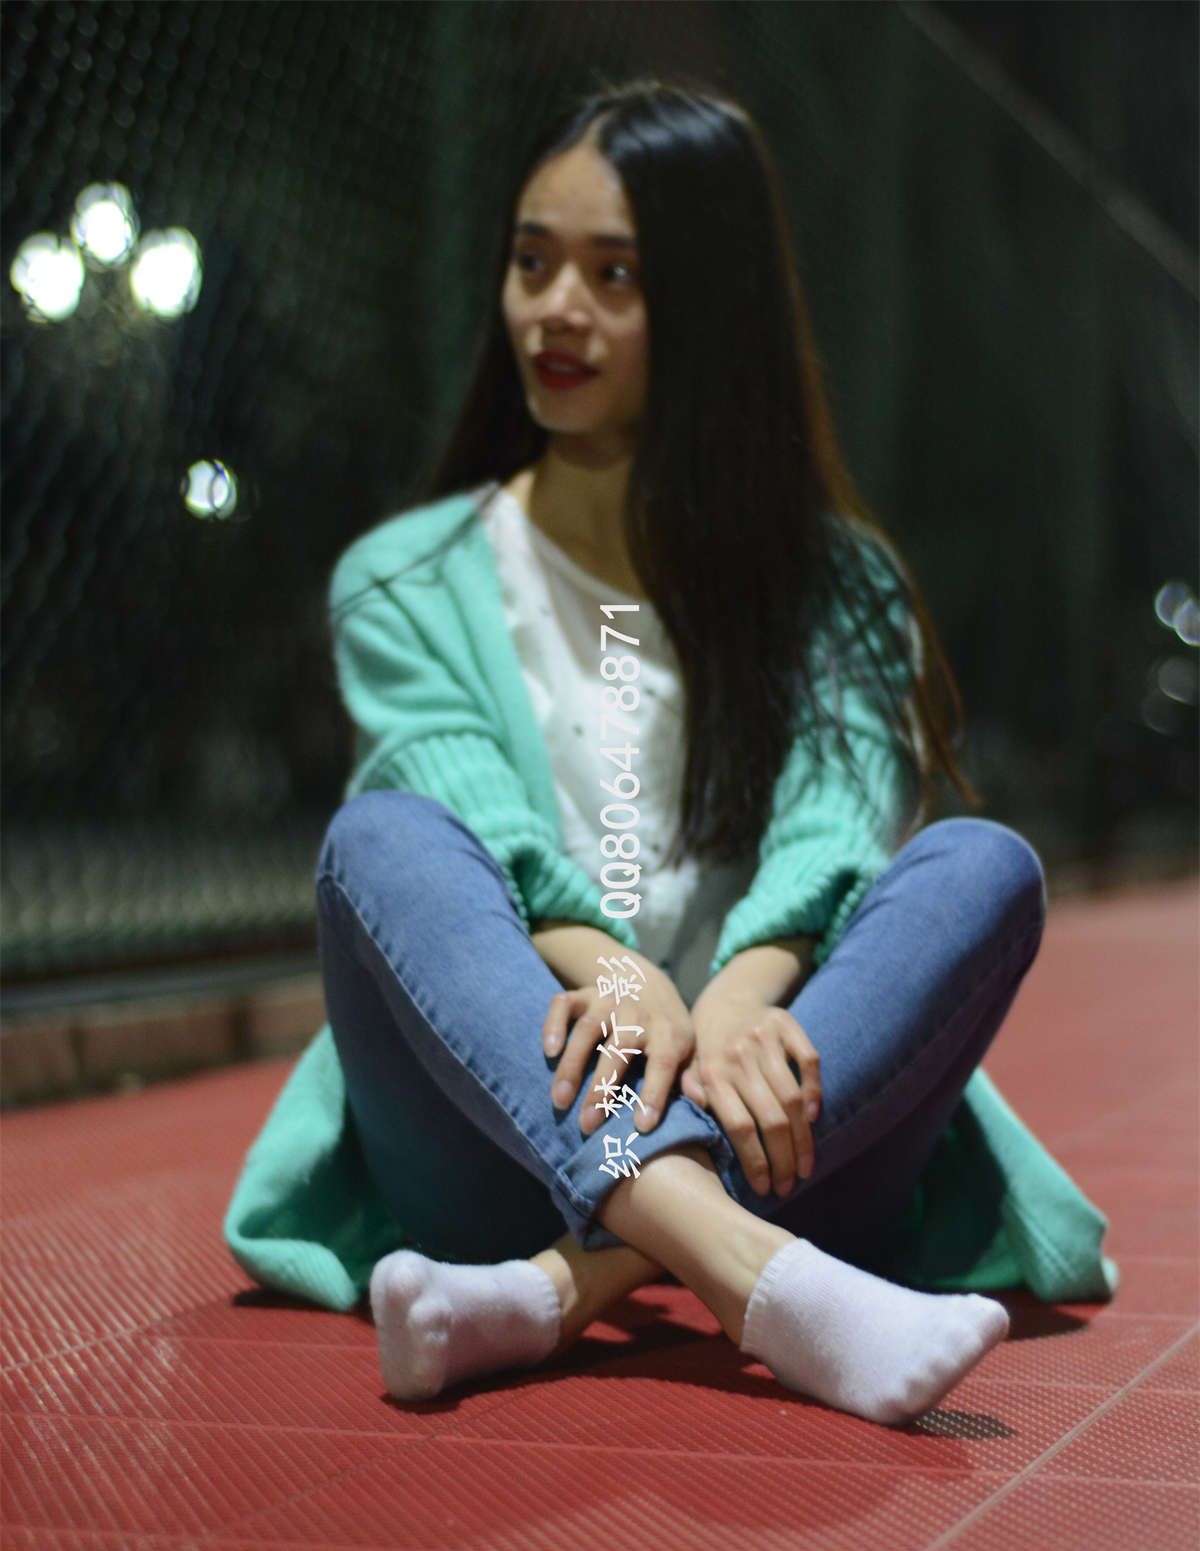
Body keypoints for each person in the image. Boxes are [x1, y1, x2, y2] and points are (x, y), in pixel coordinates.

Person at [224, 78, 1115, 1426]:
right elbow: (480, 823)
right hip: (499, 1129)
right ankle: (757, 1277)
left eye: (615, 275)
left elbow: (835, 825)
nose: (554, 310)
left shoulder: (838, 587)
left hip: (785, 1122)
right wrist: (621, 972)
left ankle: (557, 1290)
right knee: (381, 839)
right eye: (532, 263)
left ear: (711, 306)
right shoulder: (406, 578)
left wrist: (742, 1001)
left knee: (984, 866)